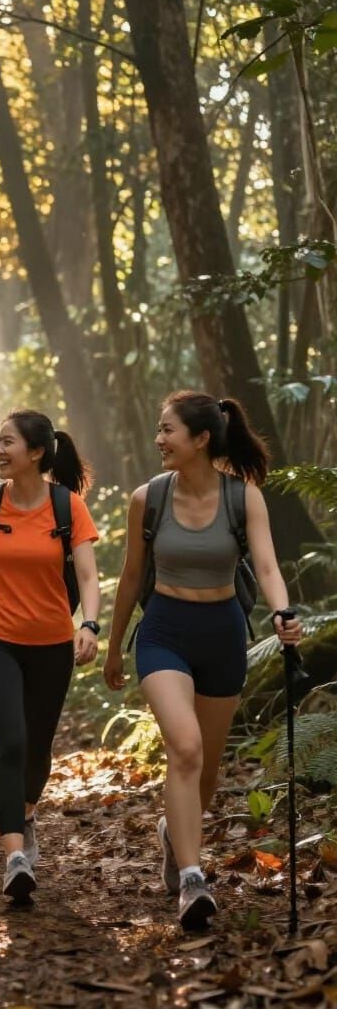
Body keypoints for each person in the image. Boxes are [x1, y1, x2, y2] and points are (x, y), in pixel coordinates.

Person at [102, 391, 303, 930]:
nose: (159, 439)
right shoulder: (150, 498)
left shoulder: (244, 498)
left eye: (168, 430)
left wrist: (284, 611)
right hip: (164, 632)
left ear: (201, 439)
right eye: (159, 429)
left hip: (223, 636)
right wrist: (116, 644)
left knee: (206, 770)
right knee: (185, 748)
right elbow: (129, 578)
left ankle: (175, 835)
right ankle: (193, 879)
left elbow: (265, 564)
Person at [0, 410, 101, 903]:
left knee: (38, 748)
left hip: (53, 643)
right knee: (11, 741)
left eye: (7, 442)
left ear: (36, 452)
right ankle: (14, 855)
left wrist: (91, 625)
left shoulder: (67, 506)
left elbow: (89, 575)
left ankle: (26, 813)